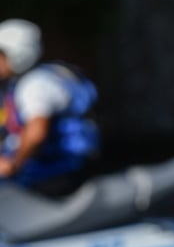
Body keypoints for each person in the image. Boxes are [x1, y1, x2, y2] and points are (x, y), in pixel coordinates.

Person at [0, 19, 100, 194]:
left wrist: (14, 164)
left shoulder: (34, 86)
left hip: (56, 175)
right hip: (74, 168)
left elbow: (36, 133)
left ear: (18, 56)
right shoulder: (46, 75)